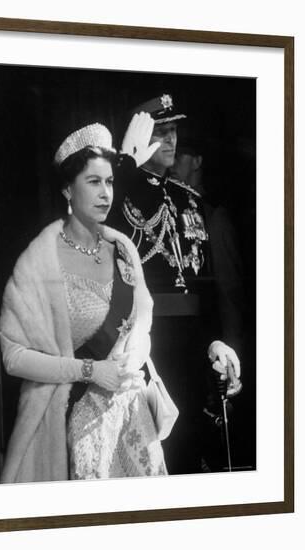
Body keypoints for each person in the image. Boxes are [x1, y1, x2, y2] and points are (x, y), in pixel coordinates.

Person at [0, 122, 175, 483]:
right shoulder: (40, 261)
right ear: (67, 189)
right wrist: (93, 372)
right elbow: (12, 355)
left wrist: (135, 356)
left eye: (109, 182)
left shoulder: (123, 249)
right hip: (72, 423)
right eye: (93, 182)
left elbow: (143, 321)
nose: (105, 193)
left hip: (133, 419)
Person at [107, 95, 242, 473]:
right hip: (148, 345)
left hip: (193, 344)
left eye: (174, 131)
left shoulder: (188, 201)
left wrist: (217, 340)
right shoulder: (122, 190)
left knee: (198, 453)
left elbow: (206, 284)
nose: (171, 141)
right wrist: (124, 166)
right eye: (160, 132)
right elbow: (92, 222)